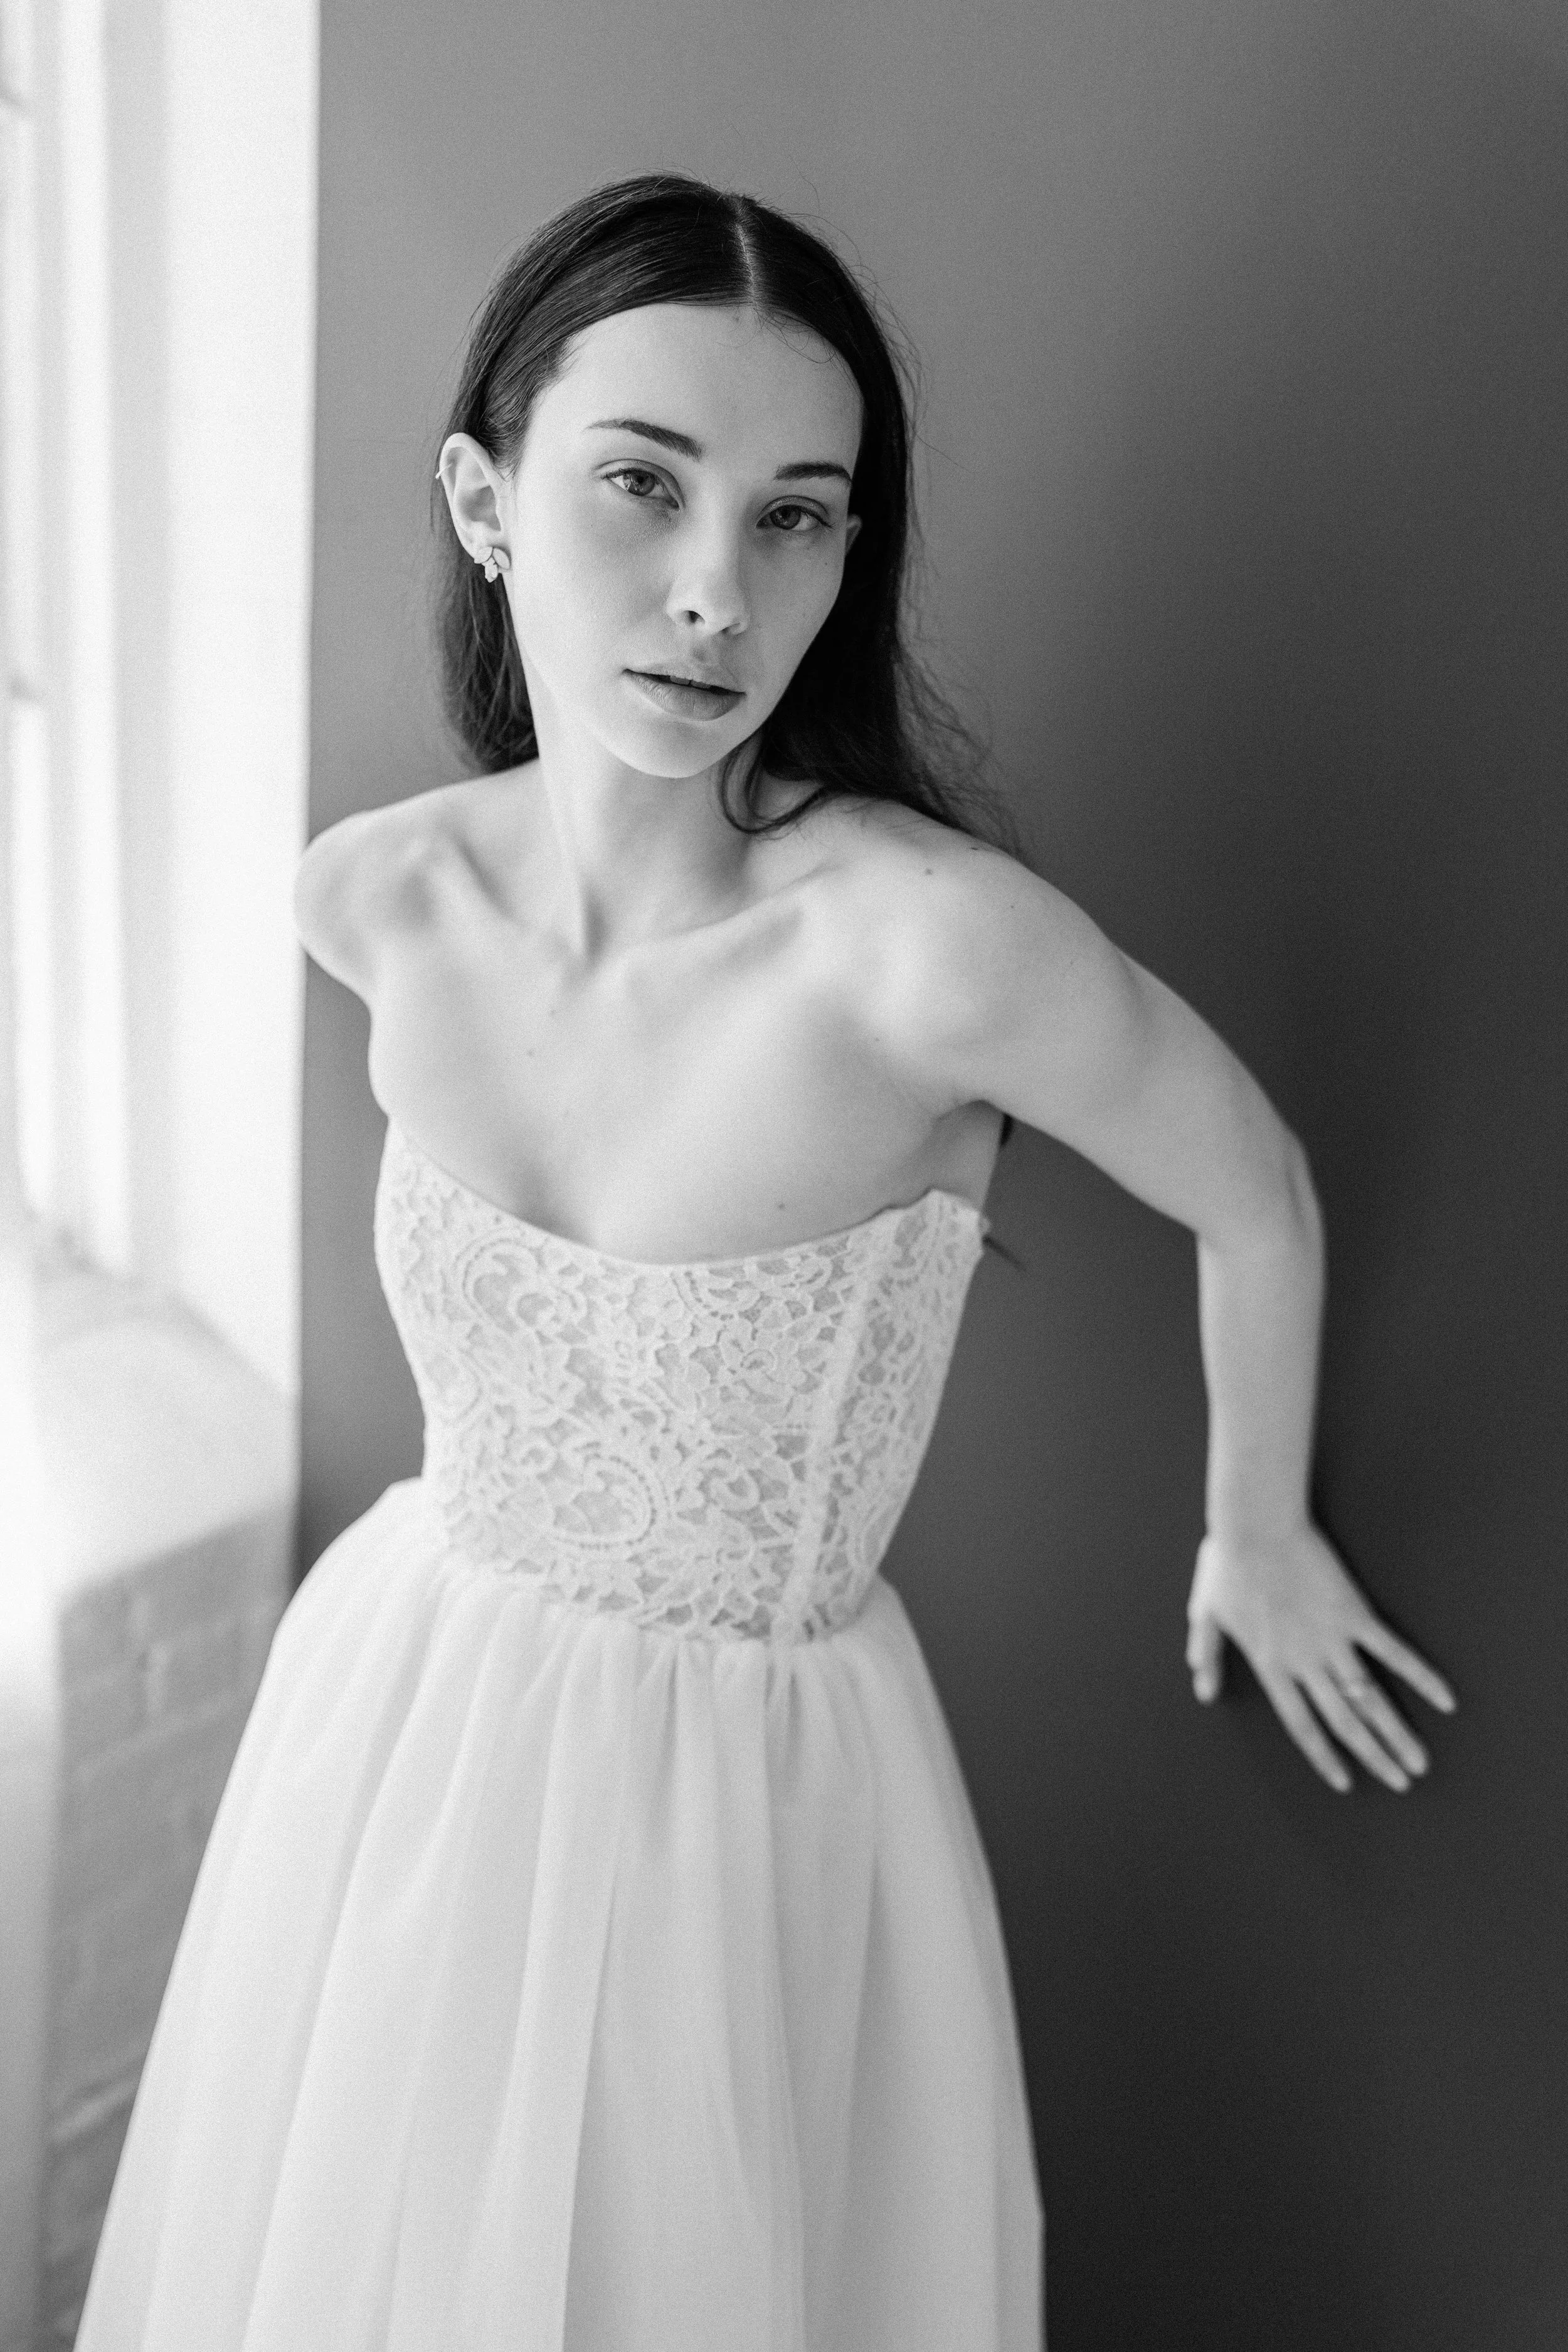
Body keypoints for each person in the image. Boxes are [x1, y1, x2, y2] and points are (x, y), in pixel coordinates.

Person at [75, 172, 1455, 2352]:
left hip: (742, 1798)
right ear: (486, 496)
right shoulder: (376, 899)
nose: (715, 592)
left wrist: (1252, 1525)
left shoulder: (928, 951)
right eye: (642, 485)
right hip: (409, 1712)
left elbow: (1249, 1179)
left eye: (797, 517)